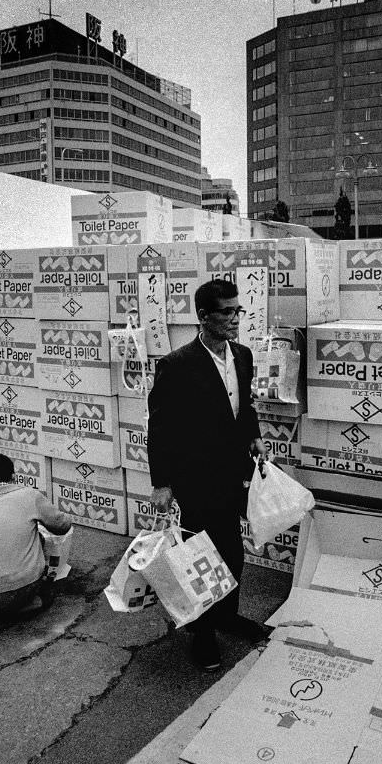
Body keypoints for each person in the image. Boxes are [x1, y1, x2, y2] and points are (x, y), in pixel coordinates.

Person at [147, 278, 267, 670]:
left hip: (234, 473)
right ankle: (202, 633)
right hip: (195, 477)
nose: (236, 319)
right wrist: (162, 482)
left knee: (232, 553)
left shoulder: (244, 356)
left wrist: (254, 437)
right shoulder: (177, 365)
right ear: (203, 316)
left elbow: (244, 405)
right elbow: (160, 427)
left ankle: (227, 616)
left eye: (239, 310)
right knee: (199, 558)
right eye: (227, 312)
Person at [0, 452, 72, 620]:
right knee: (39, 538)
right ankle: (29, 604)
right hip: (20, 589)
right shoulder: (29, 495)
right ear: (13, 476)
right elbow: (62, 526)